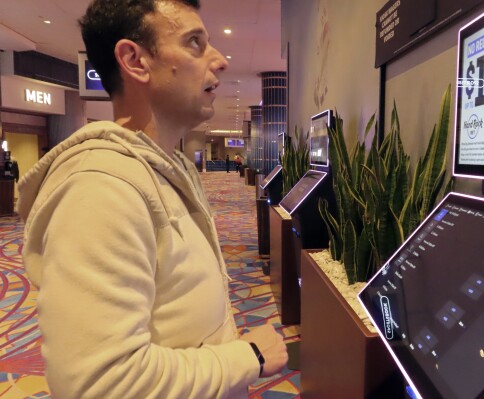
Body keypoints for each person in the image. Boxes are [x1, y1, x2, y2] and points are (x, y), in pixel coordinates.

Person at [16, 1, 287, 398]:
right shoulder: (101, 187)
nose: (220, 60)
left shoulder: (167, 166)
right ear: (135, 60)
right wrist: (248, 357)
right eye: (194, 42)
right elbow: (100, 384)